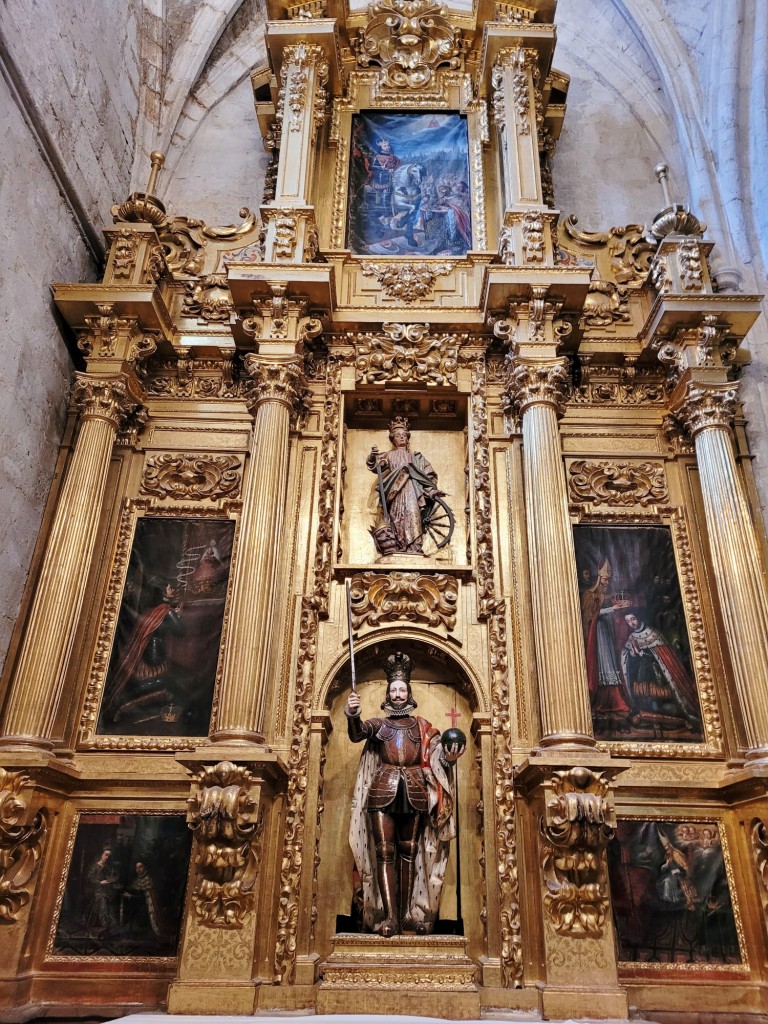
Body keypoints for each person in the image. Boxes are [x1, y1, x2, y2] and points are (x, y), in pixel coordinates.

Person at [345, 652, 464, 936]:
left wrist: (449, 758)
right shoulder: (379, 725)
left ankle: (407, 915)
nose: (398, 695)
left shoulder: (421, 727)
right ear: (388, 693)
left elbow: (436, 758)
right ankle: (389, 917)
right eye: (393, 690)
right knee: (385, 853)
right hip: (382, 791)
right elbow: (357, 733)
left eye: (402, 690)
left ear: (408, 692)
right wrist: (353, 713)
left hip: (414, 792)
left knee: (409, 852)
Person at [104, 580, 185, 725]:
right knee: (166, 682)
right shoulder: (165, 612)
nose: (173, 590)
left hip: (147, 658)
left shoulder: (150, 611)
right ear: (163, 592)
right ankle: (122, 701)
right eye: (170, 588)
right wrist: (177, 615)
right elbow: (181, 631)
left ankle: (123, 699)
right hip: (153, 660)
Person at [367, 416, 444, 555]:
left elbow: (427, 473)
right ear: (393, 439)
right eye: (397, 436)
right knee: (397, 518)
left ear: (407, 438)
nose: (401, 438)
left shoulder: (416, 457)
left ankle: (414, 546)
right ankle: (399, 544)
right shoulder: (390, 455)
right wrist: (373, 457)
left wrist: (431, 489)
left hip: (412, 491)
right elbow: (376, 466)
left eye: (404, 435)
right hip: (395, 493)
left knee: (412, 515)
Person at [620, 611, 701, 728]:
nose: (631, 623)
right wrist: (632, 654)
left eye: (633, 619)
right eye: (627, 621)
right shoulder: (631, 637)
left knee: (664, 704)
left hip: (660, 679)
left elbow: (661, 659)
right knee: (645, 703)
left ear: (639, 617)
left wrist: (641, 652)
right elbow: (629, 660)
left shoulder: (652, 633)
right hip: (642, 678)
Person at [580, 559, 633, 720]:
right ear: (599, 578)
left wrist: (621, 607)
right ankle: (603, 702)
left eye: (608, 579)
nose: (607, 582)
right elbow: (590, 616)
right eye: (604, 579)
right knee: (604, 664)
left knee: (611, 663)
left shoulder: (607, 596)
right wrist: (612, 609)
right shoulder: (590, 595)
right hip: (597, 636)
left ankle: (615, 701)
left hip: (607, 633)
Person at [86, 848, 119, 934]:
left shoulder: (108, 868)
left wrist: (110, 881)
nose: (107, 857)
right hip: (95, 889)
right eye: (106, 854)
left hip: (105, 889)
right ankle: (105, 924)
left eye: (109, 856)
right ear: (101, 855)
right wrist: (100, 882)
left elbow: (110, 878)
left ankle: (110, 924)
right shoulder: (94, 866)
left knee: (112, 897)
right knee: (102, 898)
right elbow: (89, 879)